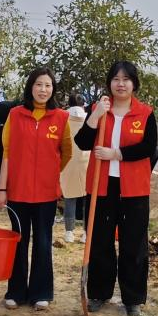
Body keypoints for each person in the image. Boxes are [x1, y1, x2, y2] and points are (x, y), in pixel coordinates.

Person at [74, 61, 158, 316]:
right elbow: (82, 142)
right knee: (100, 240)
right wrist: (95, 116)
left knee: (134, 243)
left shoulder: (145, 113)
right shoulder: (99, 108)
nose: (121, 84)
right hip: (101, 185)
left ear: (134, 84)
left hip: (134, 188)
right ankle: (99, 293)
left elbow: (149, 147)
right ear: (109, 82)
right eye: (116, 79)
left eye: (126, 79)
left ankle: (132, 299)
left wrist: (116, 154)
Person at [0, 68, 71, 311]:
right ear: (30, 87)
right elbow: (5, 153)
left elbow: (66, 153)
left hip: (47, 193)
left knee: (43, 242)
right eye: (39, 84)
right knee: (18, 240)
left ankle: (41, 292)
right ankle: (16, 292)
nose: (43, 90)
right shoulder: (15, 115)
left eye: (48, 86)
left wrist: (50, 173)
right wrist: (2, 188)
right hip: (17, 191)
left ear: (53, 90)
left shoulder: (61, 117)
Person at [60, 93, 91, 244]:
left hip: (67, 162)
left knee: (69, 198)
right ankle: (86, 233)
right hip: (87, 160)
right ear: (83, 104)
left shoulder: (62, 117)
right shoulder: (89, 118)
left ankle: (69, 232)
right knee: (87, 199)